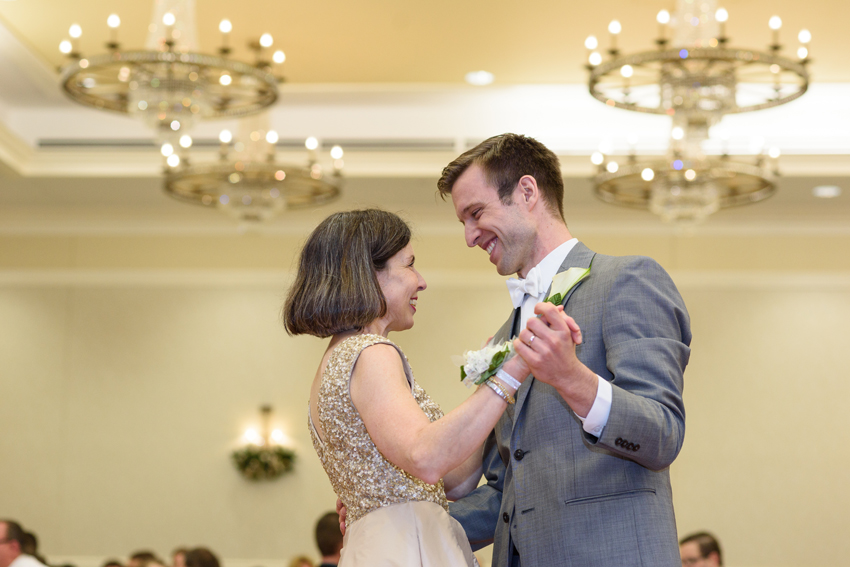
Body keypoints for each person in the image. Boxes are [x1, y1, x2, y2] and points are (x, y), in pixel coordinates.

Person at [437, 133, 692, 567]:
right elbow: (510, 491)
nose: (469, 236)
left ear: (527, 192)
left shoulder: (626, 279)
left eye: (475, 213)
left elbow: (663, 433)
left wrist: (572, 378)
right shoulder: (504, 337)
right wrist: (406, 521)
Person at [283, 209, 531, 566]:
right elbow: (425, 458)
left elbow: (455, 481)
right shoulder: (371, 353)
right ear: (369, 275)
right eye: (410, 265)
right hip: (407, 549)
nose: (421, 281)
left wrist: (490, 391)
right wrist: (510, 371)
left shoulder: (334, 360)